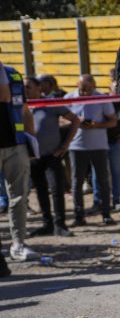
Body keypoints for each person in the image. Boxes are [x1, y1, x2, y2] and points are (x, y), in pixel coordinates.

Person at [25, 76, 80, 237]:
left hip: (52, 155)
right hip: (32, 157)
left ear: (38, 88)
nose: (25, 90)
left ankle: (60, 224)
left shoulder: (51, 103)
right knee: (41, 191)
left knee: (57, 189)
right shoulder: (20, 105)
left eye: (28, 86)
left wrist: (65, 145)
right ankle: (47, 224)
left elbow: (75, 120)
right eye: (24, 87)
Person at [0, 61, 39, 269]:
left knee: (19, 196)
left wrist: (32, 142)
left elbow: (24, 110)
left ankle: (18, 244)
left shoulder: (12, 74)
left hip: (16, 144)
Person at [63, 75, 116, 227]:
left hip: (99, 146)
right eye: (82, 89)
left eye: (88, 89)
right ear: (76, 85)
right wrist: (75, 122)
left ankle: (106, 214)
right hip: (76, 146)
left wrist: (95, 125)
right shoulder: (69, 97)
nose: (85, 93)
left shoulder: (102, 98)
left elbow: (113, 121)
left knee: (103, 181)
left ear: (94, 86)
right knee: (76, 182)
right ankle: (79, 215)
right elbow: (60, 120)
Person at [93, 67, 120, 213]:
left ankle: (116, 199)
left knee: (116, 172)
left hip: (116, 141)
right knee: (98, 173)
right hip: (99, 142)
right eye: (115, 88)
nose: (117, 91)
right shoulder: (102, 100)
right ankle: (98, 201)